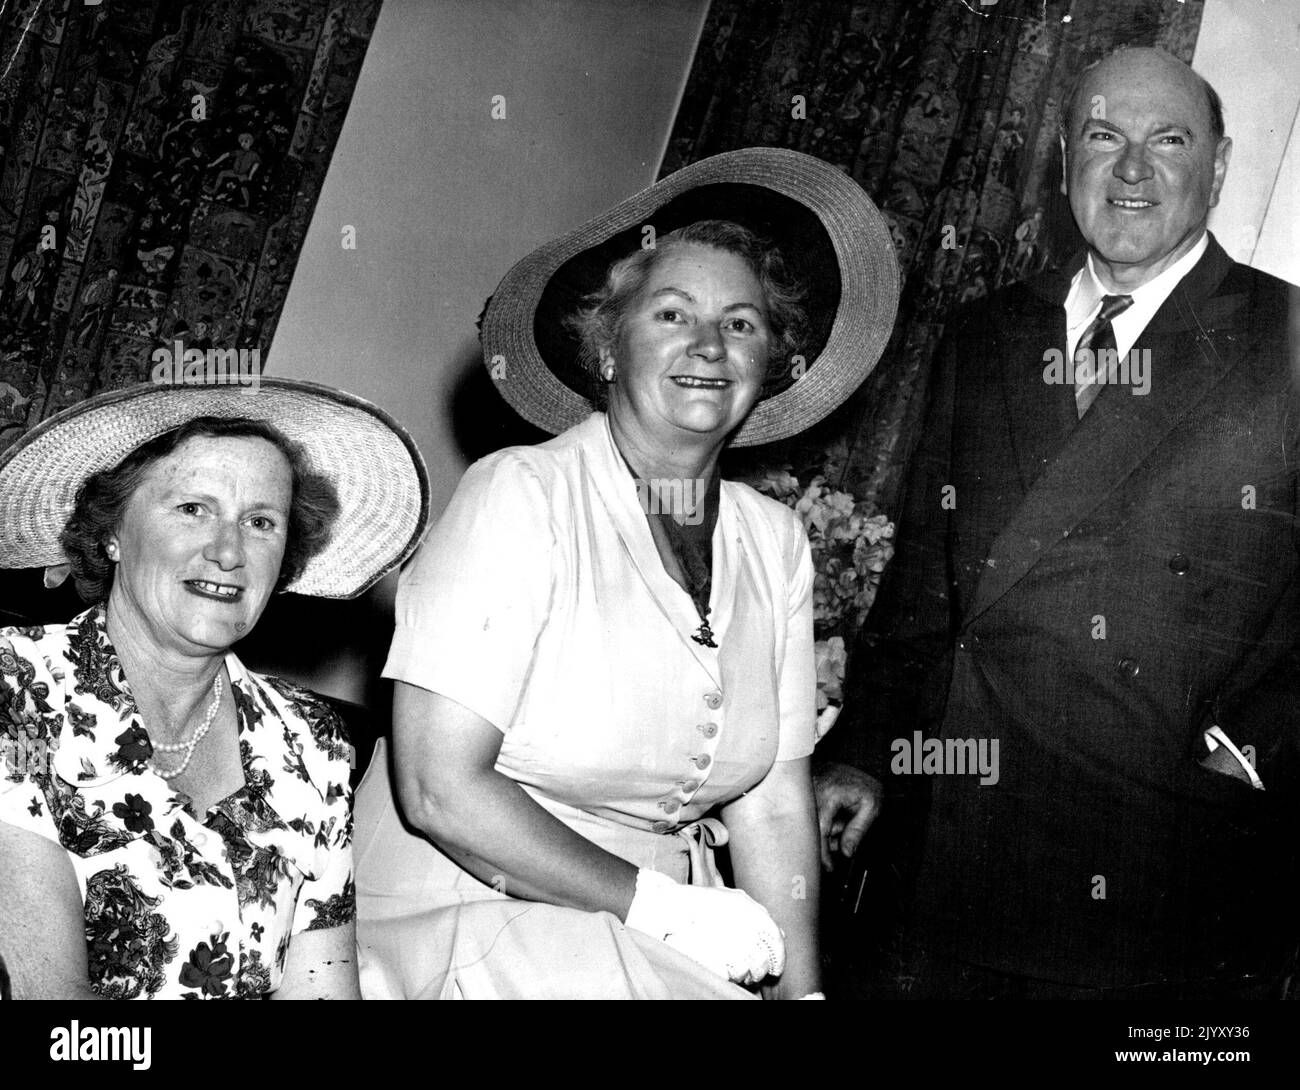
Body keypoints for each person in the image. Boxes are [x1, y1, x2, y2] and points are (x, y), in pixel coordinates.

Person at [354, 147, 900, 999]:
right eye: (673, 315)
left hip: (658, 924)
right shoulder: (522, 495)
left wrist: (802, 993)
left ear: (767, 369)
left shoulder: (776, 542)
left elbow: (773, 804)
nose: (710, 345)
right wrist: (665, 912)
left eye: (742, 324)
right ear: (609, 347)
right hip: (471, 899)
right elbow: (437, 789)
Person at [819, 46, 1300, 998]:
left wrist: (1250, 756)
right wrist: (868, 751)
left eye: (1168, 140)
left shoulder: (1287, 343)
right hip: (938, 848)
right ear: (1062, 157)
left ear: (1219, 164)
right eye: (1102, 136)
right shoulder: (986, 332)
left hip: (1155, 871)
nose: (1131, 170)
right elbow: (922, 581)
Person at [0, 377, 429, 999]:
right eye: (192, 508)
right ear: (113, 532)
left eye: (260, 521)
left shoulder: (313, 741)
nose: (229, 551)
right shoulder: (17, 690)